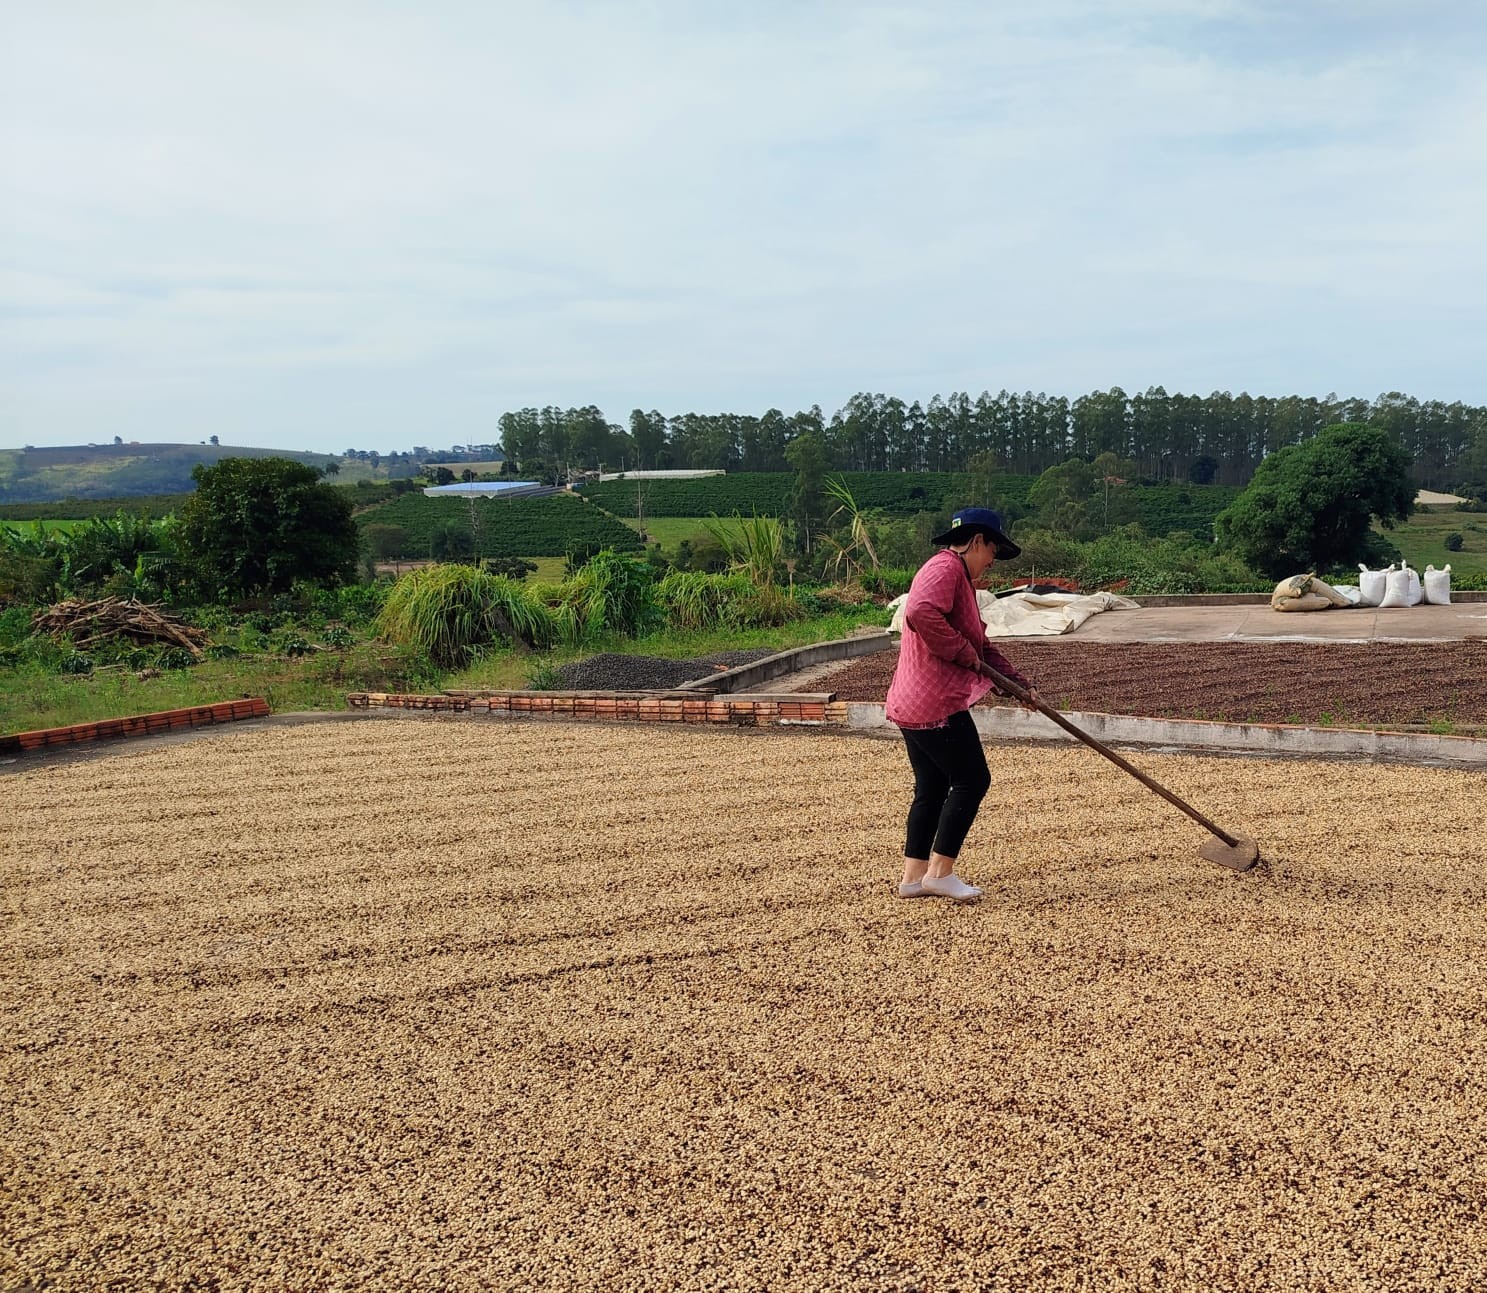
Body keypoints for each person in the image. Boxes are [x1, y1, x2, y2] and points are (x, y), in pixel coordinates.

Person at [885, 507, 1039, 902]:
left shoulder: (956, 578)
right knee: (972, 780)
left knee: (933, 785)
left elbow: (981, 648)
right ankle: (940, 872)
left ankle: (913, 878)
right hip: (935, 703)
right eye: (992, 551)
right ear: (977, 541)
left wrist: (1021, 687)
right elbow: (920, 612)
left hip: (911, 702)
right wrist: (959, 651)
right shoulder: (946, 568)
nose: (992, 561)